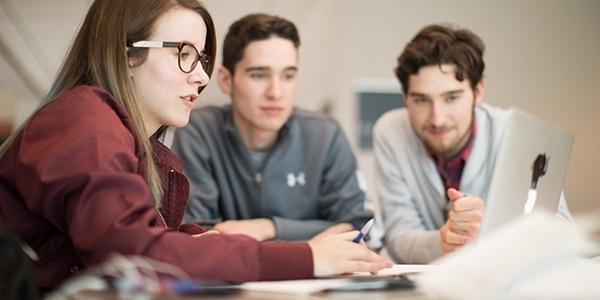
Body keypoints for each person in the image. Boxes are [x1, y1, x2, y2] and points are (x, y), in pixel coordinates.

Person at [0, 0, 390, 290]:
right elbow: (134, 256)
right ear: (127, 53)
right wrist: (306, 257)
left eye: (201, 58)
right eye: (184, 55)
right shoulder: (85, 118)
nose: (200, 77)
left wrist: (191, 242)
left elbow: (131, 241)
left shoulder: (128, 138)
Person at [373, 24, 571, 264]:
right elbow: (399, 237)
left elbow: (561, 230)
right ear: (405, 98)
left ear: (478, 91)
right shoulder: (391, 132)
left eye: (452, 98)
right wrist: (444, 242)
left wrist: (489, 227)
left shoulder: (514, 132)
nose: (437, 119)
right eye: (421, 100)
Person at [172, 13, 373, 241]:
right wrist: (314, 240)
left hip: (317, 277)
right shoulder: (197, 130)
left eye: (288, 76)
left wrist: (269, 228)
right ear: (226, 80)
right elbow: (197, 235)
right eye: (259, 75)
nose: (276, 92)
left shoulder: (325, 135)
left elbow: (359, 228)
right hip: (233, 277)